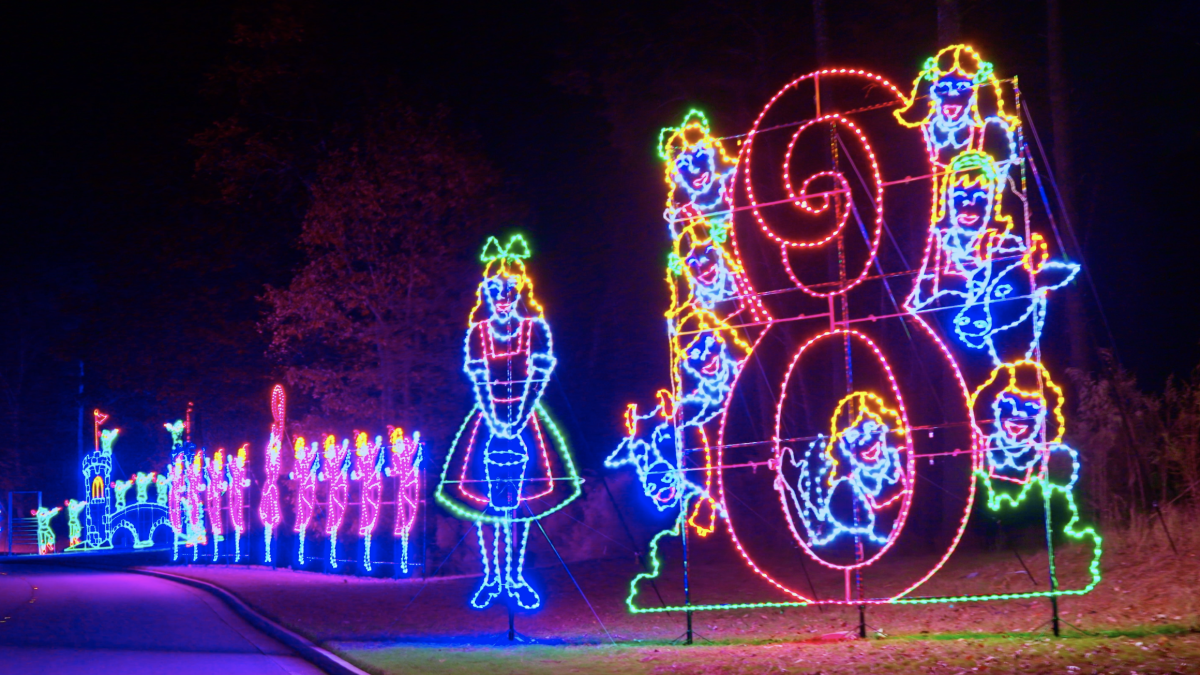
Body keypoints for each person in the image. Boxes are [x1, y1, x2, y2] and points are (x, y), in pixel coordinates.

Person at [435, 234, 581, 610]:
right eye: (495, 288)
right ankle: (491, 577)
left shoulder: (536, 330)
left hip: (526, 418)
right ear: (486, 292)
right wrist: (495, 420)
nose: (502, 296)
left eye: (509, 288)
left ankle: (514, 577)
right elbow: (480, 381)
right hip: (488, 418)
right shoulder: (478, 334)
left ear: (519, 292)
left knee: (521, 503)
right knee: (488, 502)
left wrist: (519, 418)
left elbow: (538, 377)